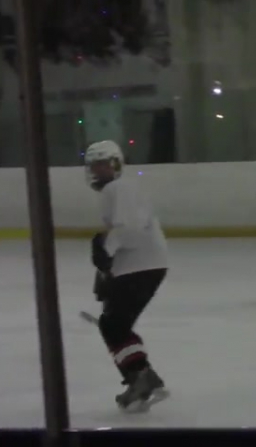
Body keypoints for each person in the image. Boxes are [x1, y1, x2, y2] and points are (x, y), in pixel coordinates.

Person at [85, 139, 170, 412]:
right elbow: (125, 232)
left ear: (116, 164)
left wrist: (105, 251)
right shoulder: (118, 188)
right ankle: (142, 377)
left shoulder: (119, 188)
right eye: (94, 165)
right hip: (140, 264)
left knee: (113, 324)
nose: (98, 170)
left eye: (102, 164)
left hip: (142, 265)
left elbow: (129, 230)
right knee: (113, 324)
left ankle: (142, 377)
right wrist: (107, 271)